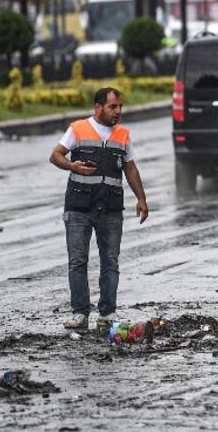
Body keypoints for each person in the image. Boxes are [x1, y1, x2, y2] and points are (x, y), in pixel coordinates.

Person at [49, 87, 149, 331]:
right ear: (98, 107)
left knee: (110, 261)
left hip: (111, 208)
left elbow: (130, 168)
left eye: (120, 106)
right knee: (77, 261)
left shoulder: (123, 134)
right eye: (112, 106)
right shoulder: (78, 129)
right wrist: (74, 166)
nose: (118, 111)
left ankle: (107, 313)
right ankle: (80, 314)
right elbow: (55, 156)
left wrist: (141, 200)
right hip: (78, 207)